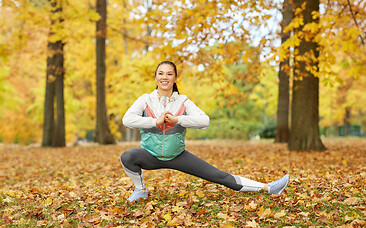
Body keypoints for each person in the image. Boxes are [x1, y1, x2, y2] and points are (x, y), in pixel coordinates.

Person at [120, 61, 289, 202]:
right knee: (128, 156)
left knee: (219, 176)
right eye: (161, 73)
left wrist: (178, 119)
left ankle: (269, 187)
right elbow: (127, 120)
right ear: (156, 77)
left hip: (178, 156)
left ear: (175, 78)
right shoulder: (145, 99)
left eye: (169, 74)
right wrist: (154, 121)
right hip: (150, 155)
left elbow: (204, 121)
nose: (165, 77)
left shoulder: (183, 101)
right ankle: (140, 190)